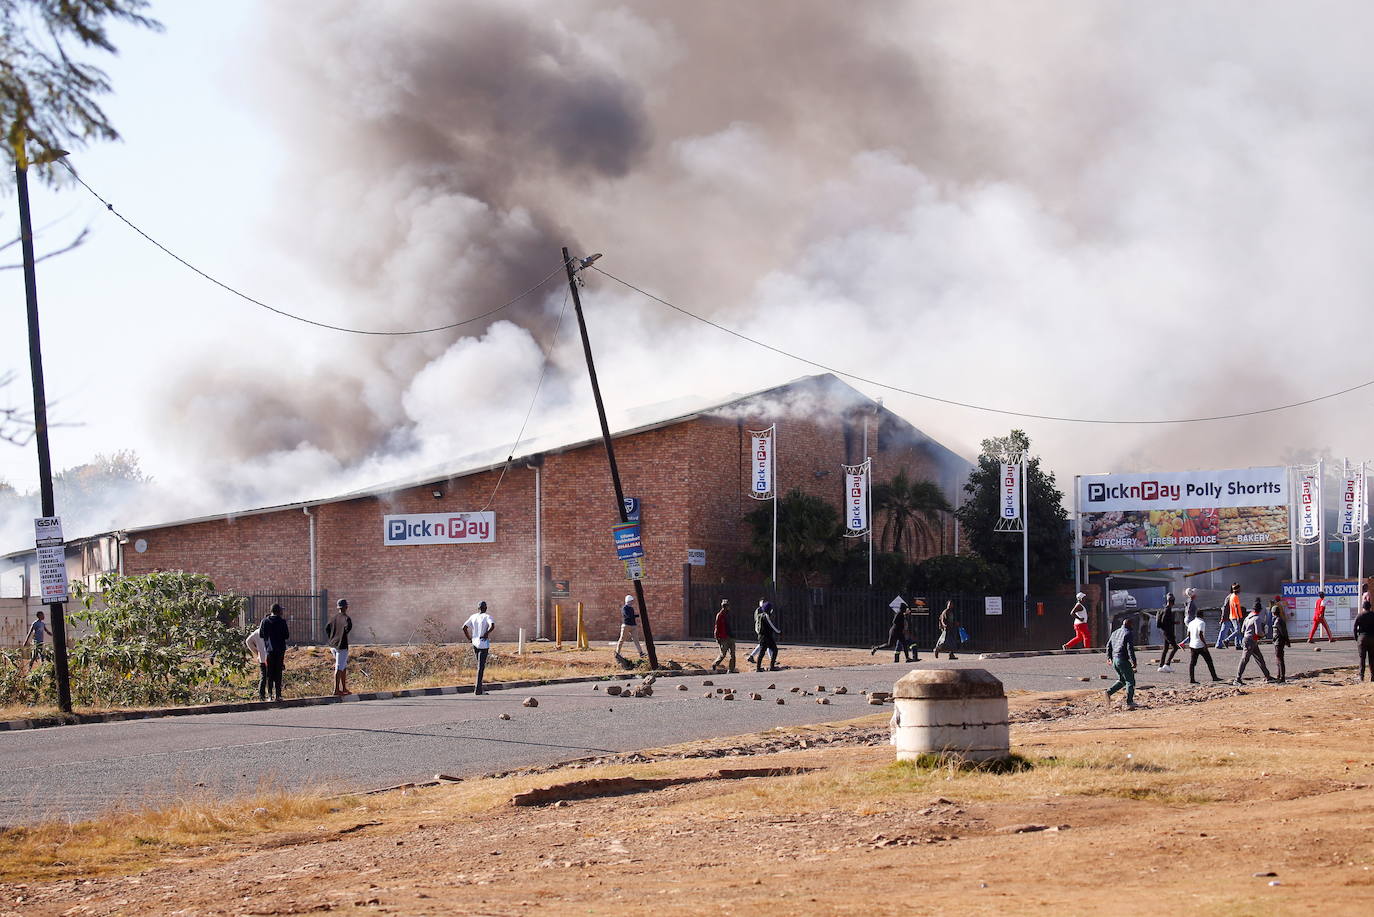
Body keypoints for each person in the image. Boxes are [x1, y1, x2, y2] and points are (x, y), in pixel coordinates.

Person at [1233, 603, 1275, 685]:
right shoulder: (1257, 618)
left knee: (1259, 658)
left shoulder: (1248, 617)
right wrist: (1264, 635)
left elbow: (1242, 630)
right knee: (1245, 659)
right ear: (1260, 610)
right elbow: (1258, 632)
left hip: (1248, 639)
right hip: (1251, 641)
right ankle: (1237, 679)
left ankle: (1268, 676)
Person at [1104, 615, 1138, 709]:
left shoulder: (1115, 632)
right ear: (1130, 624)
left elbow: (1108, 646)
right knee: (1130, 681)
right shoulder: (1128, 633)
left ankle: (1108, 692)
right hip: (1122, 659)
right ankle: (1130, 702)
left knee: (1122, 680)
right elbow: (1129, 648)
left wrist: (1109, 657)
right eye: (1132, 625)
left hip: (1115, 660)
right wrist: (1133, 661)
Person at [258, 603, 290, 702]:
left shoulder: (264, 621)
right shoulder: (282, 622)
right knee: (278, 672)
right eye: (281, 610)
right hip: (280, 650)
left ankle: (270, 695)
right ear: (278, 611)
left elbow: (261, 635)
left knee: (269, 673)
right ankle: (278, 695)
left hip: (269, 651)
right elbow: (286, 635)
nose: (282, 612)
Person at [462, 600, 496, 694]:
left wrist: (469, 638)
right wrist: (486, 633)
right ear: (486, 608)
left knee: (479, 665)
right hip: (483, 644)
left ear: (478, 608)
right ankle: (478, 689)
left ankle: (479, 688)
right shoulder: (487, 616)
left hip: (475, 643)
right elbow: (492, 625)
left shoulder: (473, 616)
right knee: (481, 667)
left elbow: (464, 627)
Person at [325, 598, 353, 696]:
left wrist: (332, 638)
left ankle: (344, 688)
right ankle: (336, 689)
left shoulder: (333, 618)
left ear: (338, 607)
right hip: (342, 646)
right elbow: (348, 628)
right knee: (339, 667)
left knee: (343, 666)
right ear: (346, 607)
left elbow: (327, 628)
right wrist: (342, 636)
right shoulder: (346, 618)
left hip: (333, 645)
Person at [1185, 610, 1222, 684]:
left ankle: (1192, 679)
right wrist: (1205, 644)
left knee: (1193, 663)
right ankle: (1214, 677)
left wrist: (1192, 641)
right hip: (1200, 645)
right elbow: (1200, 634)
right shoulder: (1202, 623)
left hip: (1192, 645)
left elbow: (1188, 634)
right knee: (1209, 661)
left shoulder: (1191, 623)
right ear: (1202, 616)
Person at [753, 599, 781, 672]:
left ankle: (759, 668)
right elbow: (771, 626)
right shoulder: (766, 616)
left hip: (762, 636)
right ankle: (771, 666)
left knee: (762, 652)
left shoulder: (760, 616)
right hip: (766, 637)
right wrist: (779, 632)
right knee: (774, 650)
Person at [711, 599, 737, 673]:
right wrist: (717, 637)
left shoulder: (729, 614)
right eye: (726, 606)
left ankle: (731, 669)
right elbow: (717, 627)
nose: (727, 607)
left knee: (733, 654)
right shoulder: (720, 615)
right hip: (723, 637)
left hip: (730, 637)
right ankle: (715, 664)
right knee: (723, 654)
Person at [244, 623, 269, 701]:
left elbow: (248, 641)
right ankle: (271, 695)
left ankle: (262, 696)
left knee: (263, 677)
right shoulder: (271, 631)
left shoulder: (257, 632)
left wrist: (256, 651)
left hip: (262, 658)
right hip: (271, 657)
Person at [615, 594, 644, 659]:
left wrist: (638, 615)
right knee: (622, 639)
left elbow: (632, 616)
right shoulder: (624, 608)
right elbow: (628, 616)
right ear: (628, 601)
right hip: (626, 625)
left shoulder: (631, 608)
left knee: (636, 640)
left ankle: (641, 653)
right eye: (631, 601)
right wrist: (636, 616)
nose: (632, 602)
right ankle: (617, 653)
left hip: (633, 626)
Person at [1157, 592, 1179, 672]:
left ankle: (1161, 666)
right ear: (1172, 601)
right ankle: (1167, 664)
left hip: (1165, 632)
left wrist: (1173, 622)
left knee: (1165, 649)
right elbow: (1165, 621)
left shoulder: (1164, 609)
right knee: (1175, 648)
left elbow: (1164, 621)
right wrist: (1173, 623)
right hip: (1168, 632)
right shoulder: (1168, 610)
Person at [1217, 584, 1243, 650]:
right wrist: (1222, 618)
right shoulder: (1231, 597)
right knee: (1225, 631)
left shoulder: (1231, 597)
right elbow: (1225, 608)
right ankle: (1221, 643)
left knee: (1236, 631)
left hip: (1230, 617)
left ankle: (1238, 645)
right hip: (1229, 618)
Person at [1272, 598, 1291, 683]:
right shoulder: (1280, 620)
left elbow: (1283, 632)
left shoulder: (1278, 621)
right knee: (1278, 659)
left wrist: (1287, 641)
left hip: (1278, 642)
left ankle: (1281, 677)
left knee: (1279, 659)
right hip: (1279, 642)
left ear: (1273, 613)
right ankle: (1279, 676)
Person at [1355, 600, 1374, 681]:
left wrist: (1356, 638)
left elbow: (1354, 628)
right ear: (1370, 607)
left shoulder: (1360, 615)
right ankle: (1373, 676)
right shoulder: (1373, 615)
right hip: (1372, 638)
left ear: (1363, 607)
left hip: (1362, 638)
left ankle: (1361, 676)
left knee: (1362, 658)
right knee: (1372, 658)